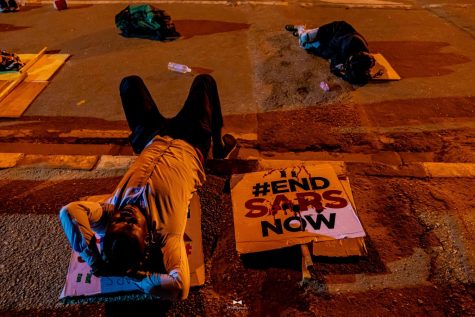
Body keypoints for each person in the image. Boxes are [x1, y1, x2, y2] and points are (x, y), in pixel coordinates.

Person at [59, 74, 236, 300]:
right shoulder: (167, 232)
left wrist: (94, 259)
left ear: (108, 225)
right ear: (147, 239)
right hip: (191, 140)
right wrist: (134, 275)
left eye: (118, 221)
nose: (126, 215)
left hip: (152, 139)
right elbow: (179, 287)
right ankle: (219, 148)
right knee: (205, 82)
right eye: (131, 224)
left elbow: (69, 211)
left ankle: (140, 138)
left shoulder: (109, 211)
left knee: (129, 83)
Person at [285, 21, 375, 85]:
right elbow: (329, 51)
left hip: (340, 39)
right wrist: (336, 67)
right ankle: (300, 28)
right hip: (333, 30)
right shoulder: (346, 44)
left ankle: (303, 34)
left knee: (310, 46)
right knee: (304, 42)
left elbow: (354, 77)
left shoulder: (363, 55)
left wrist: (343, 72)